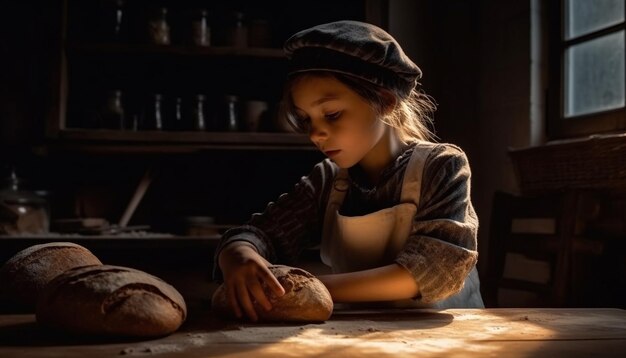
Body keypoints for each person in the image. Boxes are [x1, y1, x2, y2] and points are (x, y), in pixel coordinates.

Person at [213, 20, 484, 321]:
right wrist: (239, 254)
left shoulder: (442, 165)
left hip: (452, 340)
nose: (316, 133)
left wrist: (309, 289)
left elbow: (433, 268)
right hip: (361, 338)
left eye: (332, 114)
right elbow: (259, 233)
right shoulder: (327, 180)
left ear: (385, 102)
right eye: (306, 120)